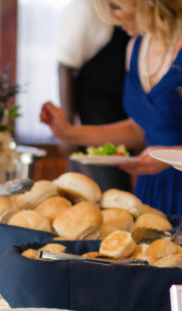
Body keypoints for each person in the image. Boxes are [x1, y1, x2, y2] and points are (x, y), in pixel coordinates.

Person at [40, 0, 182, 279]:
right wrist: (70, 132)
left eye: (117, 7)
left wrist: (170, 156)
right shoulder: (135, 47)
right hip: (151, 190)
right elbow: (141, 128)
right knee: (149, 293)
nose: (115, 20)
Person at [57, 0, 132, 192]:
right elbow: (65, 66)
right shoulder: (86, 7)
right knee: (101, 196)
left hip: (122, 126)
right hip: (92, 125)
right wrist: (69, 130)